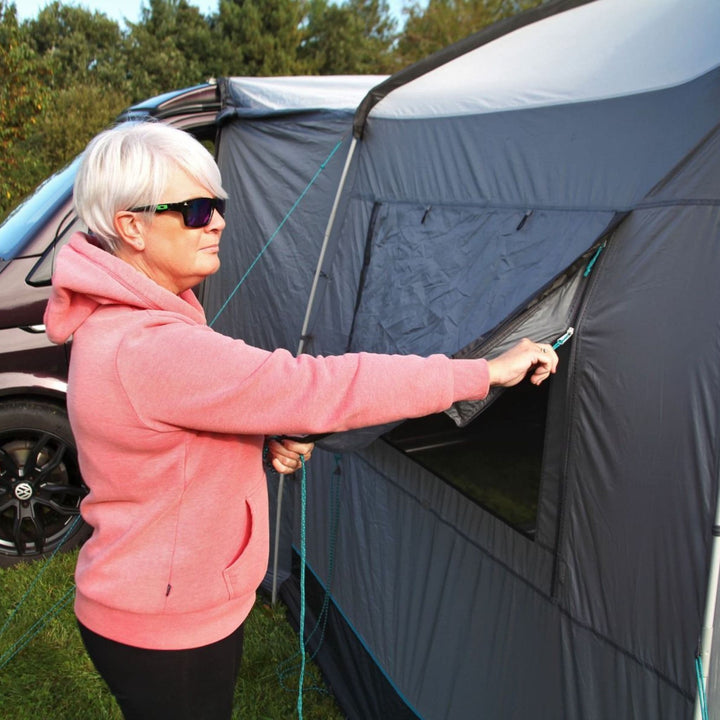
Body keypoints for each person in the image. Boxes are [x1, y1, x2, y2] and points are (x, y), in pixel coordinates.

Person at [43, 121, 559, 720]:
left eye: (219, 205)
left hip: (147, 601)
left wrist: (259, 439)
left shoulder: (122, 325)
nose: (219, 222)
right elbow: (319, 387)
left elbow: (161, 439)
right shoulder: (152, 346)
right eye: (195, 209)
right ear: (131, 227)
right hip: (167, 623)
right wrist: (483, 373)